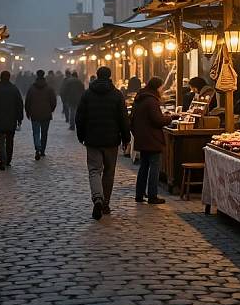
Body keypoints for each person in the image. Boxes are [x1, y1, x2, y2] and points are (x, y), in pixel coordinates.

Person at [75, 66, 130, 220]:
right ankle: (105, 203)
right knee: (109, 171)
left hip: (92, 139)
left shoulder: (87, 94)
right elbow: (123, 119)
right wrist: (126, 138)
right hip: (111, 140)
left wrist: (81, 136)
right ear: (110, 76)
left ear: (96, 76)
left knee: (94, 170)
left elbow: (79, 117)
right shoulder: (117, 94)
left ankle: (98, 198)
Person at [131, 77, 175, 205]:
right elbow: (157, 120)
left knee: (144, 166)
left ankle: (139, 194)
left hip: (143, 137)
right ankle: (152, 195)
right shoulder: (152, 100)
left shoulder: (141, 98)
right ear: (157, 87)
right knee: (154, 167)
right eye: (161, 87)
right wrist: (169, 118)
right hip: (152, 138)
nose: (162, 90)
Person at [0, 71, 24, 170]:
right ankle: (8, 160)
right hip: (11, 119)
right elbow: (19, 105)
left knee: (0, 141)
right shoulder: (14, 89)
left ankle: (2, 160)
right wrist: (19, 118)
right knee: (10, 141)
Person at [25, 70, 57, 160]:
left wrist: (28, 111)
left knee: (36, 132)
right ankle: (42, 150)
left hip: (34, 113)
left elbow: (27, 101)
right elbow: (53, 101)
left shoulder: (31, 88)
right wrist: (51, 110)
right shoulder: (49, 89)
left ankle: (37, 148)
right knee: (44, 133)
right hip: (46, 114)